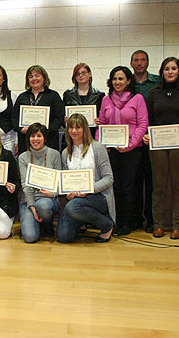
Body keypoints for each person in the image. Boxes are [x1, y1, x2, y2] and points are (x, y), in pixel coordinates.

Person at [143, 57, 179, 239]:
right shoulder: (153, 93)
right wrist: (147, 134)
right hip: (157, 144)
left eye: (174, 68)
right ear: (162, 72)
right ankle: (159, 225)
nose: (170, 72)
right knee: (159, 186)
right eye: (167, 69)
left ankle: (178, 225)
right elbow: (148, 119)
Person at [97, 66, 148, 236]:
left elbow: (142, 124)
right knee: (115, 186)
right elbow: (102, 124)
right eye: (114, 79)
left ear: (128, 81)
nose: (117, 82)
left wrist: (130, 144)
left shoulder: (137, 98)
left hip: (131, 150)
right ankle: (117, 221)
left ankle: (130, 221)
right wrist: (100, 144)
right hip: (111, 150)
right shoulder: (106, 100)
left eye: (121, 79)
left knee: (129, 186)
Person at [57, 113, 115, 243]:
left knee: (73, 208)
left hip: (98, 196)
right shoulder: (65, 152)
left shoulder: (97, 148)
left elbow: (109, 178)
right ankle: (81, 221)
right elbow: (66, 180)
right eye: (71, 128)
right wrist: (69, 192)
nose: (74, 131)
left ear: (85, 129)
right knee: (63, 237)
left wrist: (88, 190)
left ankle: (106, 225)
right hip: (76, 199)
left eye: (78, 127)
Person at [130, 50, 159, 233]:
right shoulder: (126, 82)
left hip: (154, 138)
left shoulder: (157, 82)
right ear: (131, 63)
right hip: (132, 141)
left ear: (148, 62)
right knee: (134, 181)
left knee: (151, 181)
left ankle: (151, 220)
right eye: (136, 60)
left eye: (143, 60)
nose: (139, 63)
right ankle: (134, 219)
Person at [18, 123, 61, 243]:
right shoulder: (22, 157)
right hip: (28, 201)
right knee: (30, 238)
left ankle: (47, 224)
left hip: (48, 200)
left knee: (44, 206)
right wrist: (31, 207)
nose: (35, 139)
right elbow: (25, 186)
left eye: (39, 136)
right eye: (32, 136)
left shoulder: (55, 155)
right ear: (28, 138)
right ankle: (37, 222)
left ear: (45, 138)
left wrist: (52, 194)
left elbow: (59, 182)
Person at [12, 65, 64, 153]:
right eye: (31, 76)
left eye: (37, 75)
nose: (34, 79)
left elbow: (59, 118)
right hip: (26, 142)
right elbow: (14, 118)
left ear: (44, 77)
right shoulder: (22, 97)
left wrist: (44, 131)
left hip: (49, 141)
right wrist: (21, 129)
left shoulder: (53, 95)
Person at [63, 63, 105, 137]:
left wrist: (100, 121)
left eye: (83, 73)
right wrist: (64, 120)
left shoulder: (100, 95)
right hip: (74, 134)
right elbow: (62, 115)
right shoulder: (68, 94)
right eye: (78, 74)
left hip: (92, 133)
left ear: (90, 74)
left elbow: (104, 116)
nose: (80, 75)